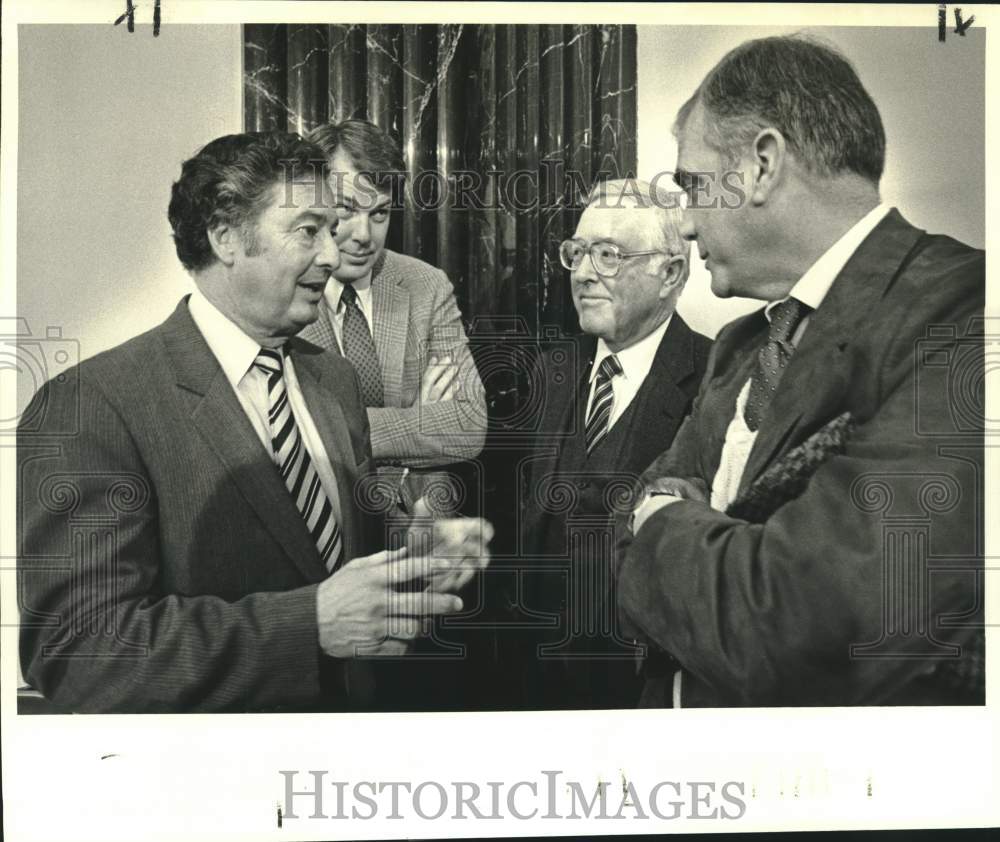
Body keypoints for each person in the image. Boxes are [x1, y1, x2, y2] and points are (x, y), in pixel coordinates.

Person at [17, 131, 490, 714]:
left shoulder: (333, 382)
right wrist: (307, 624)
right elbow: (77, 655)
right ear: (225, 237)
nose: (332, 254)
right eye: (308, 230)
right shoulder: (94, 406)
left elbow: (326, 553)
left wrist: (410, 549)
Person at [617, 36, 984, 707]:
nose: (687, 226)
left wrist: (663, 518)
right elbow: (627, 529)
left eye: (693, 186)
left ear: (761, 163)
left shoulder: (966, 310)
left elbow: (824, 618)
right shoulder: (739, 345)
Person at [514, 179, 711, 709]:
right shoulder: (554, 369)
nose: (581, 273)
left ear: (669, 273)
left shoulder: (715, 381)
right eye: (577, 253)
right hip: (534, 689)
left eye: (608, 255)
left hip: (639, 697)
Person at [302, 119, 487, 515]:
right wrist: (417, 420)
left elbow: (471, 424)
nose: (364, 235)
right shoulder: (287, 294)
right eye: (346, 211)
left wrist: (343, 430)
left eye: (380, 213)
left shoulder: (426, 285)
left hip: (422, 533)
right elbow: (295, 436)